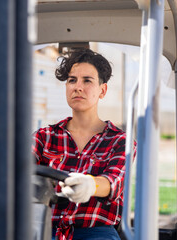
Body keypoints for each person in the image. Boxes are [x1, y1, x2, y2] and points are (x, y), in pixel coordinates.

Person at [32, 48, 128, 240]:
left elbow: (114, 182)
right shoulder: (44, 137)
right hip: (45, 228)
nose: (77, 87)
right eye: (72, 80)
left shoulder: (120, 141)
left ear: (103, 90)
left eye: (87, 80)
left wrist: (91, 185)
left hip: (96, 233)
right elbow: (17, 172)